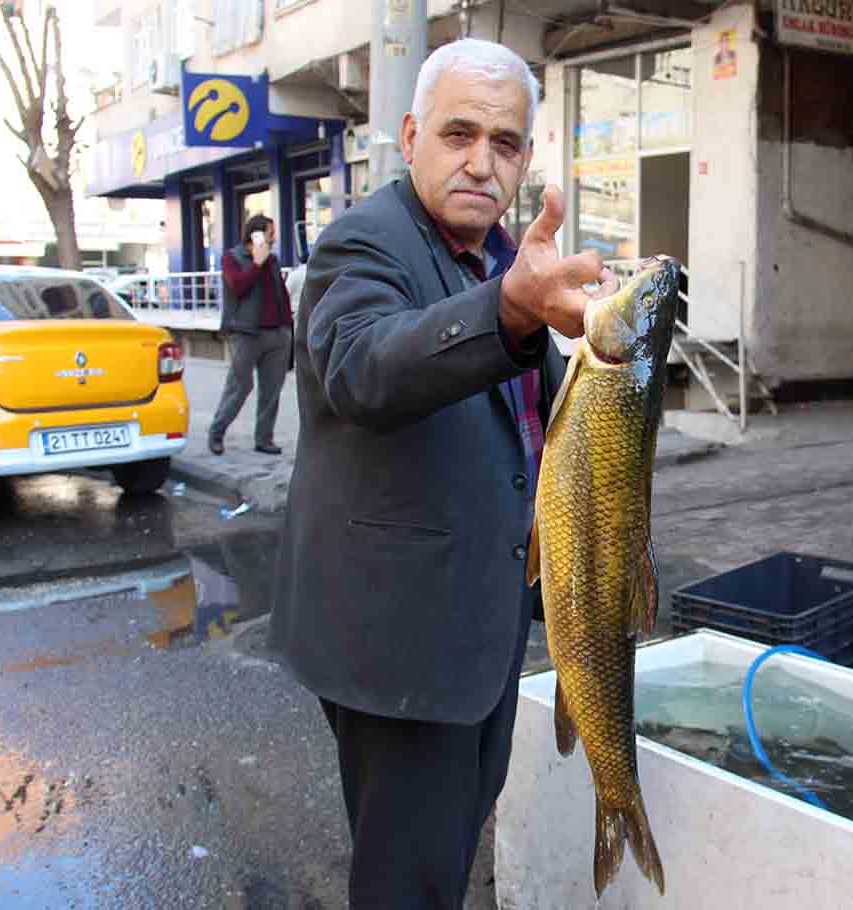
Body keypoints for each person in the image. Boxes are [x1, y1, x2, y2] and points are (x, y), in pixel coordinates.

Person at [267, 39, 616, 908]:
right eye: (460, 133)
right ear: (411, 134)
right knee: (408, 884)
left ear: (526, 158)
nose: (480, 160)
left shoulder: (505, 256)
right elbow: (365, 369)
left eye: (504, 143)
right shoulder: (365, 242)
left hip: (482, 632)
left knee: (451, 850)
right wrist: (506, 312)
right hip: (400, 645)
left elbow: (528, 428)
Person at [207, 214, 293, 455]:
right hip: (246, 334)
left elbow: (281, 294)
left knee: (272, 390)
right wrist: (256, 264)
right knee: (240, 386)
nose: (273, 238)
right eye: (269, 233)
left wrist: (288, 327)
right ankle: (217, 431)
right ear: (255, 235)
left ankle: (264, 439)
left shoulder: (273, 261)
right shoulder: (232, 259)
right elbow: (238, 287)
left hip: (277, 334)